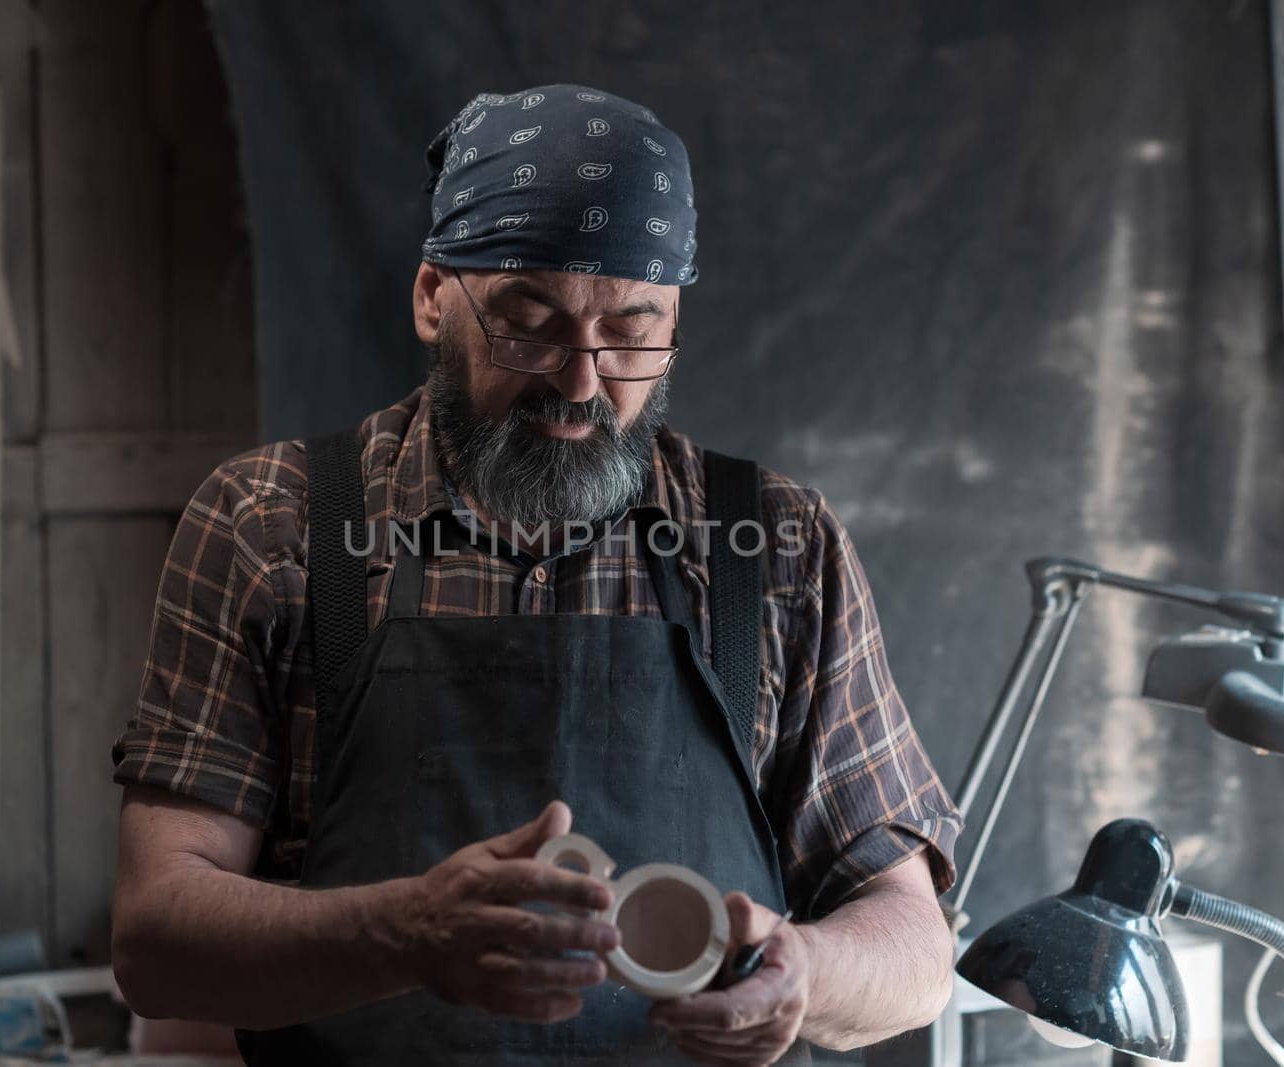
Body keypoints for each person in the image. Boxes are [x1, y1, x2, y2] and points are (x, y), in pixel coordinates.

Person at [110, 83, 963, 1066]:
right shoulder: (275, 523)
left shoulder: (773, 545)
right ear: (436, 297)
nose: (582, 382)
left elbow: (913, 944)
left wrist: (806, 973)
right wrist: (404, 931)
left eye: (632, 328)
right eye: (533, 322)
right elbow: (156, 939)